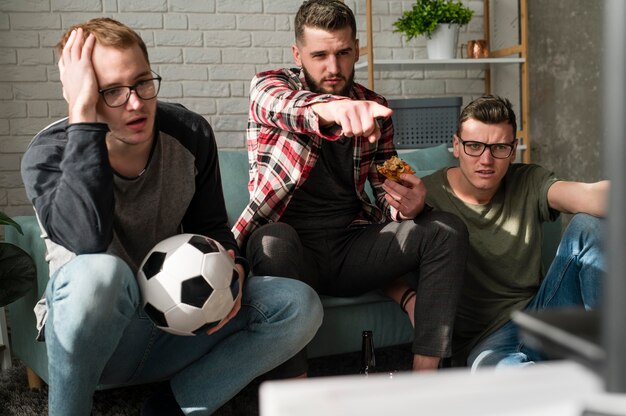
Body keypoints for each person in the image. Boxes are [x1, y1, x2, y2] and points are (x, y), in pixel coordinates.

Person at [20, 18, 323, 416]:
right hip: (92, 341)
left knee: (298, 305)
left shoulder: (189, 132)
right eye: (111, 91)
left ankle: (172, 408)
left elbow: (213, 229)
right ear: (84, 94)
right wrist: (82, 119)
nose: (135, 103)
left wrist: (234, 273)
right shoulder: (48, 155)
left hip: (174, 322)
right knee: (101, 275)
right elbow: (86, 239)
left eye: (142, 82)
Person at [233, 0, 469, 375]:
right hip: (291, 255)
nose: (333, 67)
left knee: (446, 229)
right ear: (298, 54)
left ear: (357, 48)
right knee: (271, 239)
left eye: (343, 53)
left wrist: (409, 205)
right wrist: (334, 109)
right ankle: (296, 392)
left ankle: (425, 376)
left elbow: (386, 188)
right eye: (320, 55)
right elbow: (285, 106)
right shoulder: (269, 87)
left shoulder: (375, 107)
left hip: (351, 249)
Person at [417, 94, 607, 369]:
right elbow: (387, 259)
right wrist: (406, 299)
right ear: (456, 145)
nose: (486, 159)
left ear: (513, 148)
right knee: (502, 378)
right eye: (474, 146)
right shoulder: (427, 195)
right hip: (486, 341)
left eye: (499, 148)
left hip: (542, 312)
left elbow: (588, 195)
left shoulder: (528, 180)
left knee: (588, 225)